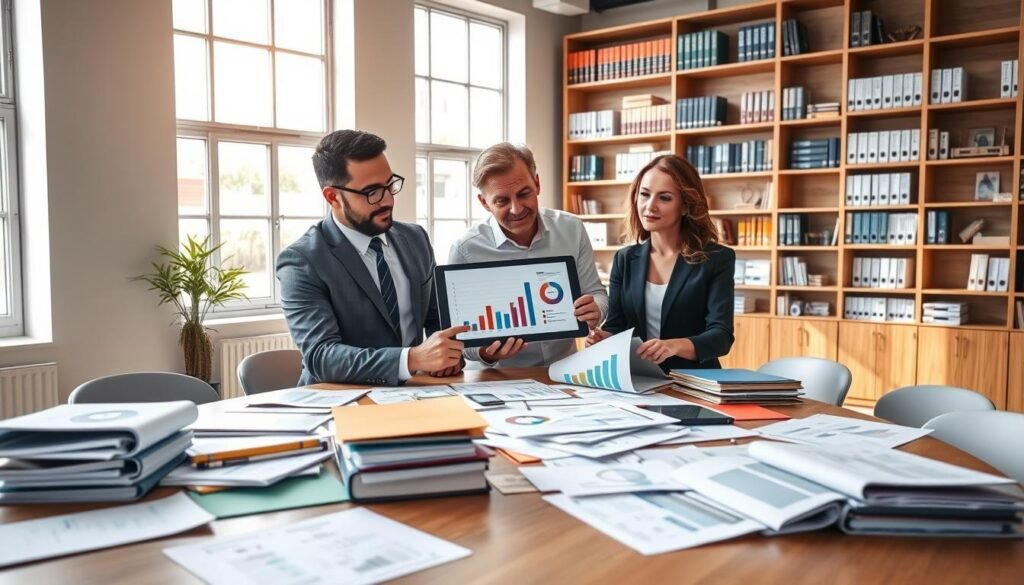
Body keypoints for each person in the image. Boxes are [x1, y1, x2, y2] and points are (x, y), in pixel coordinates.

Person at [277, 129, 468, 386]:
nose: (387, 199)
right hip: (337, 402)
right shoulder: (302, 261)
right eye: (372, 192)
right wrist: (412, 359)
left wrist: (448, 355)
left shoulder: (415, 239)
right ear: (332, 196)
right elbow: (322, 356)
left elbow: (436, 318)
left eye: (390, 185)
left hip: (416, 392)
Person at [448, 142, 609, 367]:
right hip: (495, 381)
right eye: (502, 201)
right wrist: (486, 352)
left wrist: (596, 310)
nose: (517, 209)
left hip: (564, 373)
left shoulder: (571, 228)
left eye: (524, 194)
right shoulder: (465, 250)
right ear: (484, 203)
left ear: (537, 183)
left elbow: (596, 293)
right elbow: (459, 339)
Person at [587, 154, 734, 371]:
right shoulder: (625, 259)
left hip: (694, 381)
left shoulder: (716, 259)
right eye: (645, 194)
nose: (650, 206)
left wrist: (673, 346)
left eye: (664, 198)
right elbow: (617, 326)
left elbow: (720, 337)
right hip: (639, 378)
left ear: (685, 206)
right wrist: (603, 338)